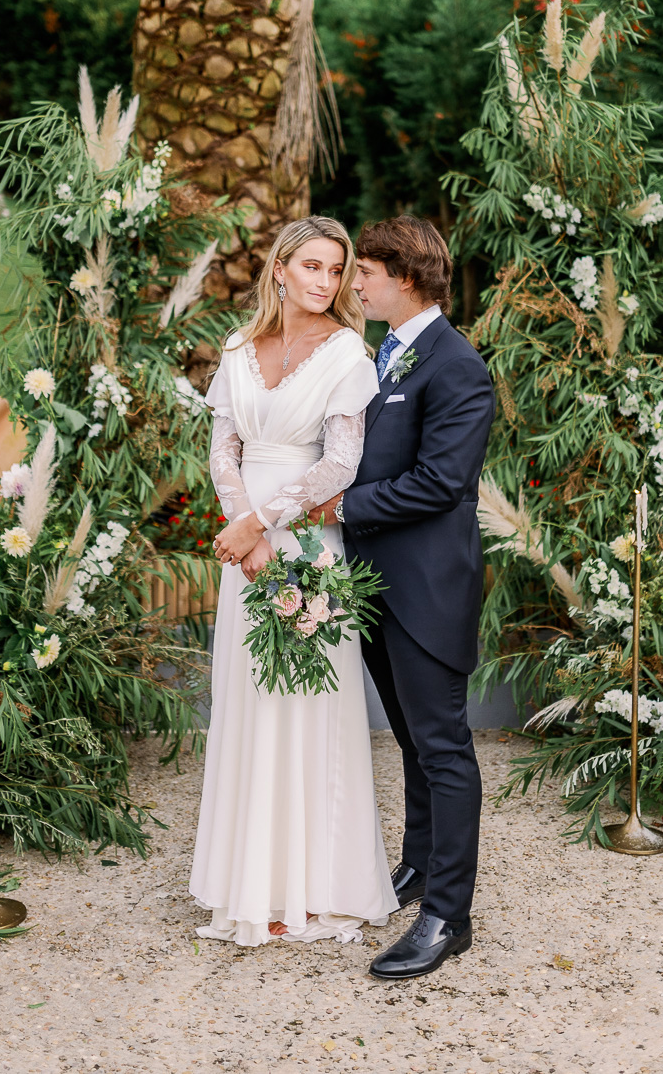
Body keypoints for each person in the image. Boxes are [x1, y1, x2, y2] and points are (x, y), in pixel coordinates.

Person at [189, 216, 398, 946]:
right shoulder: (239, 349)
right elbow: (223, 449)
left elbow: (341, 463)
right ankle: (252, 882)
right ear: (279, 269)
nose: (324, 281)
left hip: (306, 543)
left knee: (307, 703)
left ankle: (316, 886)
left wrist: (265, 524)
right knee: (248, 701)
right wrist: (241, 526)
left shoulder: (347, 352)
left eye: (336, 270)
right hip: (244, 549)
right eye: (311, 266)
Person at [312, 216, 495, 980]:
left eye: (368, 273)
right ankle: (418, 867)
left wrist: (345, 507)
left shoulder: (456, 367)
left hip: (427, 591)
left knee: (444, 748)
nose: (355, 283)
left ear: (406, 280)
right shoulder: (386, 357)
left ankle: (449, 916)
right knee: (415, 742)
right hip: (379, 587)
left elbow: (442, 482)